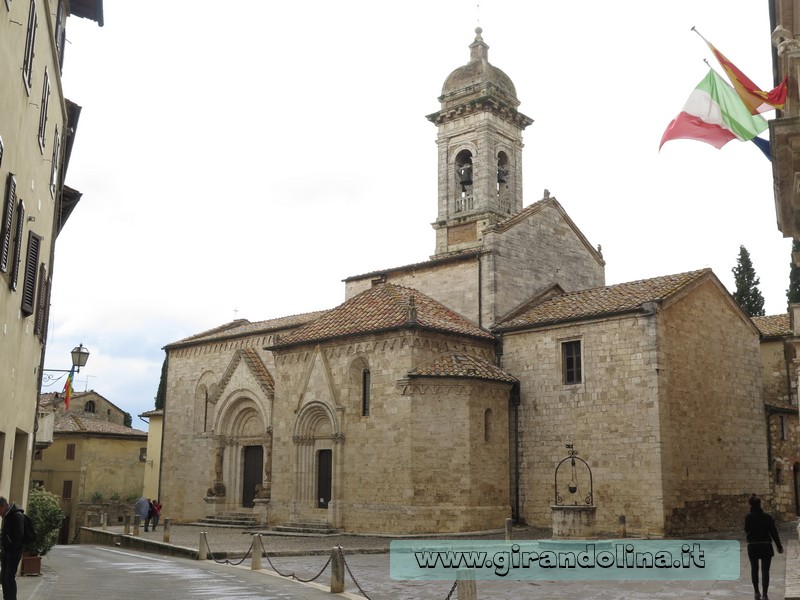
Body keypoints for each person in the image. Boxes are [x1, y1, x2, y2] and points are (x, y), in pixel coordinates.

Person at [745, 494, 783, 600]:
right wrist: (779, 546)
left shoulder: (748, 517)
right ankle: (765, 594)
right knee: (765, 570)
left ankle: (756, 592)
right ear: (760, 504)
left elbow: (746, 529)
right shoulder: (767, 517)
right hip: (765, 546)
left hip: (752, 546)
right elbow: (774, 532)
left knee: (754, 569)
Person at [0, 497, 25, 600]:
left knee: (9, 578)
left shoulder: (16, 515)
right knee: (4, 578)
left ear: (4, 506)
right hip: (6, 551)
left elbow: (19, 536)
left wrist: (10, 547)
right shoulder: (7, 515)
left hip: (13, 552)